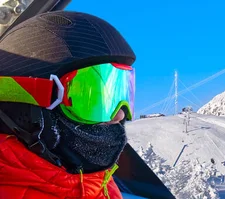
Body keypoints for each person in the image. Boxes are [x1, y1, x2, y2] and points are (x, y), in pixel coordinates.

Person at [0, 10, 136, 199]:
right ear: (24, 108)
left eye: (121, 95)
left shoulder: (100, 184)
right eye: (93, 100)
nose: (120, 114)